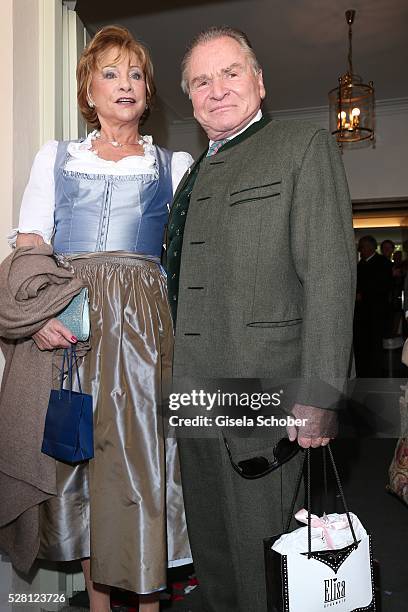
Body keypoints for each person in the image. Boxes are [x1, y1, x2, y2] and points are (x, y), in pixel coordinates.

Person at [1, 25, 193, 612]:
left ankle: (153, 603)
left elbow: (189, 257)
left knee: (142, 465)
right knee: (78, 465)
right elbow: (30, 246)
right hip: (74, 324)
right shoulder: (56, 157)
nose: (125, 84)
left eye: (135, 74)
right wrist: (37, 317)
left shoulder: (176, 164)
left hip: (145, 331)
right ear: (89, 89)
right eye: (110, 73)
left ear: (147, 90)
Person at [167, 26, 356, 611]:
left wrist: (320, 394)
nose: (216, 89)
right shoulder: (193, 174)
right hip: (195, 399)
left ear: (260, 81)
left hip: (266, 400)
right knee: (216, 558)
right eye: (201, 80)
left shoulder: (303, 145)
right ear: (190, 98)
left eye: (230, 72)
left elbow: (329, 275)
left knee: (265, 564)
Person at [354, 235, 393, 376]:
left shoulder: (384, 263)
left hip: (376, 313)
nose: (360, 250)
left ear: (370, 247)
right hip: (362, 314)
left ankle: (374, 373)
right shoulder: (360, 265)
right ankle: (363, 372)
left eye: (362, 247)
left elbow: (384, 287)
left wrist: (363, 295)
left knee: (375, 344)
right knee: (362, 344)